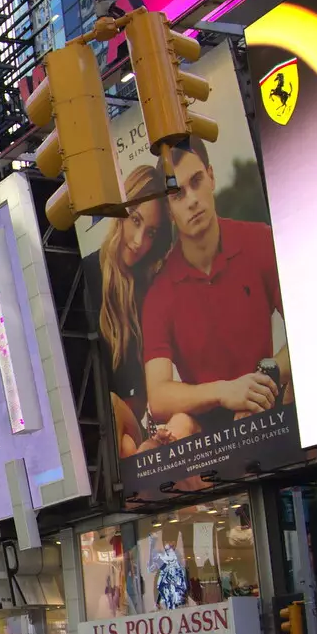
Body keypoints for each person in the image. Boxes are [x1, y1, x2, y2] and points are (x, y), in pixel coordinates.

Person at [141, 138, 290, 437]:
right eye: (178, 194)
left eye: (196, 181)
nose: (192, 200)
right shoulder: (159, 294)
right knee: (176, 428)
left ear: (211, 176)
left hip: (270, 402)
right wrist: (226, 391)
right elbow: (158, 397)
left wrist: (260, 384)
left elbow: (312, 329)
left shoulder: (260, 242)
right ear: (169, 210)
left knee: (303, 381)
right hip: (208, 431)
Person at [93, 165, 196, 457]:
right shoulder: (89, 275)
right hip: (110, 428)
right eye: (134, 220)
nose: (139, 242)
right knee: (118, 427)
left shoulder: (154, 287)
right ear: (120, 214)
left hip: (146, 422)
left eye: (151, 233)